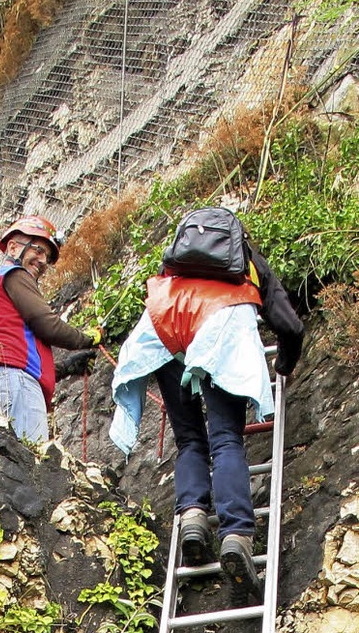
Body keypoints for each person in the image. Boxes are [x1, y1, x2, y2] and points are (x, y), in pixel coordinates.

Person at [110, 221, 304, 605]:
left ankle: (194, 520)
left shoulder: (179, 262)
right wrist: (283, 362)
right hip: (220, 323)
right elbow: (290, 326)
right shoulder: (249, 262)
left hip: (164, 326)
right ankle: (236, 536)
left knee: (189, 439)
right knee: (227, 438)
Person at [0, 216, 100, 443]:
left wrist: (67, 367)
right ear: (13, 247)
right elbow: (47, 324)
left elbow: (22, 354)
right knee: (29, 463)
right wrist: (88, 338)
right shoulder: (14, 276)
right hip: (13, 385)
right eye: (38, 250)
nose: (42, 260)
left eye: (47, 257)